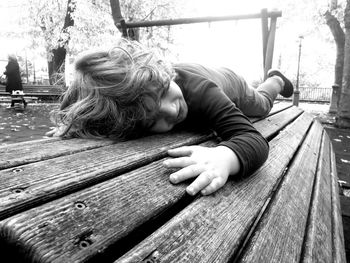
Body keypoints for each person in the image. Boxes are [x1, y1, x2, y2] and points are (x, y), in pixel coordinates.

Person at [47, 39, 294, 196]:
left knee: (261, 105)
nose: (172, 110)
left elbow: (252, 139)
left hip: (233, 85)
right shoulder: (131, 103)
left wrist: (225, 156)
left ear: (168, 75)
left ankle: (275, 80)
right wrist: (74, 126)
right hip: (211, 78)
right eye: (153, 119)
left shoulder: (200, 92)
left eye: (165, 91)